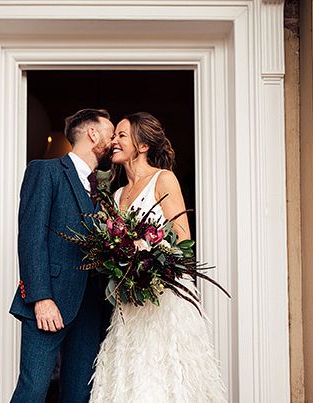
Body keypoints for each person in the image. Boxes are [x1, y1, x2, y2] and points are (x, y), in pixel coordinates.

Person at [90, 112, 227, 402]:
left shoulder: (163, 180)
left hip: (164, 300)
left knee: (164, 378)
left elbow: (182, 240)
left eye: (121, 135)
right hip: (130, 303)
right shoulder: (117, 195)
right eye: (114, 135)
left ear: (142, 146)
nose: (113, 141)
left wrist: (147, 256)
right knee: (133, 377)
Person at [9, 109, 114, 402]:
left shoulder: (102, 189)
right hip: (50, 302)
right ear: (92, 133)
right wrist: (41, 298)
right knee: (33, 390)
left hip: (91, 306)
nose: (114, 139)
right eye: (110, 131)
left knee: (80, 394)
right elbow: (31, 238)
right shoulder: (46, 171)